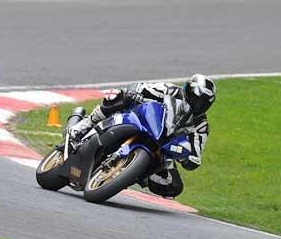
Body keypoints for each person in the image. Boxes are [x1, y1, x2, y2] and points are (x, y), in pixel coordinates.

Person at [68, 73, 216, 198]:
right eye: (196, 99)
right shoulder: (170, 90)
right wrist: (136, 94)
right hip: (144, 121)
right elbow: (141, 87)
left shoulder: (201, 125)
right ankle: (83, 126)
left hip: (163, 147)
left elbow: (195, 156)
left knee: (174, 186)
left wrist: (186, 157)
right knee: (119, 97)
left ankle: (132, 176)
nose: (198, 105)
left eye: (203, 103)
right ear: (187, 91)